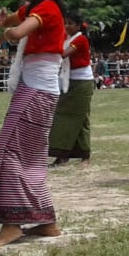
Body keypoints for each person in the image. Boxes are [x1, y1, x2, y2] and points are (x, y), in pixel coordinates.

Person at [0, 0, 67, 246]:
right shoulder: (37, 7)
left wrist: (7, 34)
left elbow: (19, 29)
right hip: (39, 89)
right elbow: (13, 18)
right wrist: (3, 21)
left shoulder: (46, 9)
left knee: (6, 150)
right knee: (30, 156)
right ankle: (47, 221)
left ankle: (12, 223)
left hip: (36, 90)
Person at [48, 12, 94, 166]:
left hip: (82, 82)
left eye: (70, 23)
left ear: (79, 25)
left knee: (78, 117)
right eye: (65, 23)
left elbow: (63, 54)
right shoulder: (67, 39)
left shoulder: (80, 39)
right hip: (69, 80)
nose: (67, 26)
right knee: (71, 117)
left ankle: (77, 155)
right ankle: (67, 154)